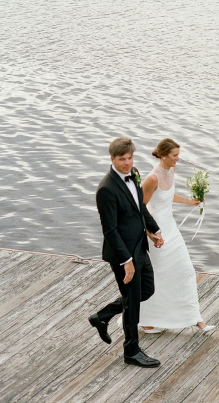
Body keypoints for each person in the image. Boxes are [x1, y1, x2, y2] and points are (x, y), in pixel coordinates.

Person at [88, 137, 165, 367]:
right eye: (122, 159)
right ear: (112, 159)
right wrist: (126, 261)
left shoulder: (136, 173)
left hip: (140, 246)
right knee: (132, 300)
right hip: (123, 254)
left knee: (146, 290)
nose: (127, 163)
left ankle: (102, 316)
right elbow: (110, 231)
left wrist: (154, 229)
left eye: (130, 158)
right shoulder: (106, 189)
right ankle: (131, 351)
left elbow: (139, 207)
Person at [139, 138, 214, 333]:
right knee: (157, 276)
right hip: (156, 232)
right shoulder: (151, 178)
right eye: (174, 155)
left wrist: (190, 202)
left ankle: (195, 318)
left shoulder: (170, 170)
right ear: (163, 155)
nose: (178, 159)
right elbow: (139, 208)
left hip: (171, 228)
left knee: (186, 271)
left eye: (178, 155)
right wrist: (150, 232)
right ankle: (147, 321)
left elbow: (167, 195)